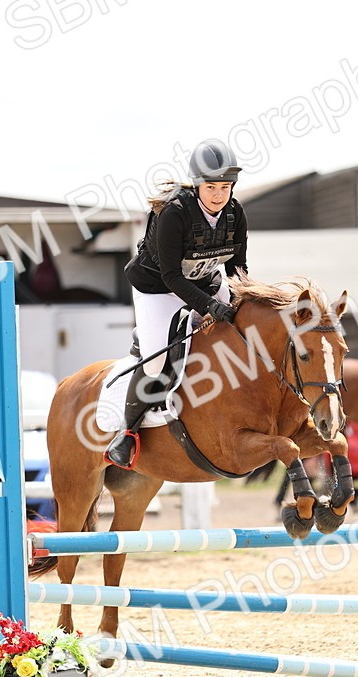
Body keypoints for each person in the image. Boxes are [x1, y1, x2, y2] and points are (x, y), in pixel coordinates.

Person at [103, 139, 249, 469]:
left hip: (205, 284)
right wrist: (211, 309)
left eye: (226, 187)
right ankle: (128, 434)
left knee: (241, 335)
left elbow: (236, 268)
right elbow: (171, 276)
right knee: (156, 361)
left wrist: (241, 300)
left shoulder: (235, 213)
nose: (219, 195)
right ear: (198, 185)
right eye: (212, 187)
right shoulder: (174, 213)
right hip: (158, 289)